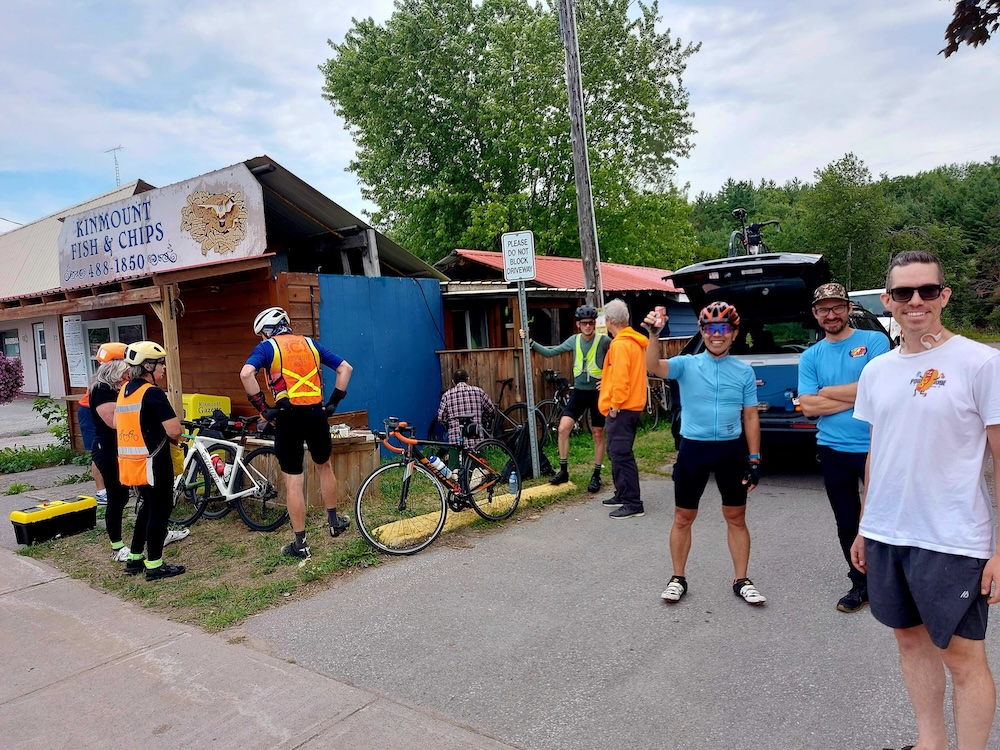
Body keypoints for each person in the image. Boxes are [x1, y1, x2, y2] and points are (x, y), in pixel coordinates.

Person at [851, 251, 1000, 750]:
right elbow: (879, 452)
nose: (915, 302)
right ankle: (929, 743)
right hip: (888, 533)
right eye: (903, 293)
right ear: (887, 301)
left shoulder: (981, 362)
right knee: (910, 642)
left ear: (944, 296)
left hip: (953, 539)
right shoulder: (876, 371)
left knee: (962, 658)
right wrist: (865, 526)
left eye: (927, 291)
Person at [644, 301, 766, 606]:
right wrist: (654, 335)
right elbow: (654, 367)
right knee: (683, 516)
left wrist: (754, 459)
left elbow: (750, 416)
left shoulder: (743, 372)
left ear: (734, 333)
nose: (717, 334)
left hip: (730, 450)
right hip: (693, 448)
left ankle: (742, 579)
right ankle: (677, 578)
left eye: (724, 328)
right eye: (710, 328)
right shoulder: (687, 364)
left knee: (736, 516)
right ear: (702, 331)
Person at [797, 282, 890, 614]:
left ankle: (892, 582)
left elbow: (878, 390)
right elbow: (807, 406)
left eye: (837, 307)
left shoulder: (874, 341)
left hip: (877, 447)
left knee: (886, 518)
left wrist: (827, 392)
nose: (831, 314)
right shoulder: (811, 356)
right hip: (833, 449)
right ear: (815, 314)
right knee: (847, 521)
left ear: (849, 309)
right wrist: (856, 392)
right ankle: (860, 583)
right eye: (824, 309)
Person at [241, 306, 354, 559]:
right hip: (316, 413)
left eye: (262, 334)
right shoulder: (312, 345)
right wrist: (334, 402)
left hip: (287, 416)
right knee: (324, 466)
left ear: (268, 330)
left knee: (294, 480)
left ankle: (300, 544)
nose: (262, 339)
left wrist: (262, 408)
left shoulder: (268, 347)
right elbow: (345, 368)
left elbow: (246, 373)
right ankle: (334, 522)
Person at [116, 341, 186, 581]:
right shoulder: (152, 392)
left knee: (147, 508)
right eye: (160, 363)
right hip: (155, 461)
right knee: (160, 510)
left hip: (133, 463)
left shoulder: (125, 392)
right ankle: (155, 565)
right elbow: (174, 430)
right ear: (147, 366)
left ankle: (134, 559)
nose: (163, 367)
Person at [522, 304, 611, 492]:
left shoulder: (604, 341)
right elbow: (550, 352)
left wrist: (608, 378)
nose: (588, 326)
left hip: (597, 394)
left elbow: (617, 360)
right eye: (584, 323)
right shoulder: (574, 340)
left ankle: (596, 475)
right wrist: (530, 342)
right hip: (579, 392)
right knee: (563, 428)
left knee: (597, 433)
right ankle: (563, 471)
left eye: (591, 323)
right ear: (578, 324)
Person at [597, 299, 648, 519]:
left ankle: (632, 502)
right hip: (632, 405)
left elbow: (621, 379)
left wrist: (614, 406)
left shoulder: (619, 345)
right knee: (616, 452)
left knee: (621, 454)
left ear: (609, 321)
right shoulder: (635, 342)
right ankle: (622, 492)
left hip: (622, 407)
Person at [437, 368, 495, 449]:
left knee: (455, 459)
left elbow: (441, 418)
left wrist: (449, 425)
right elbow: (491, 410)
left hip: (456, 442)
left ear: (453, 382)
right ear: (468, 380)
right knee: (479, 461)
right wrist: (482, 420)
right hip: (477, 441)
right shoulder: (479, 392)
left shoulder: (446, 395)